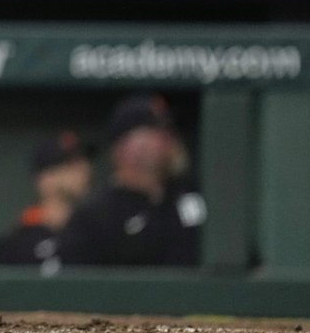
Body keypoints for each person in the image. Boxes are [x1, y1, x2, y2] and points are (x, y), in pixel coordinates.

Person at [59, 95, 204, 266]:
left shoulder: (190, 194)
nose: (168, 138)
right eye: (155, 131)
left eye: (168, 130)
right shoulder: (96, 214)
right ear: (124, 145)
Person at [0, 131, 92, 272]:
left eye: (83, 162)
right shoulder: (22, 241)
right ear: (45, 179)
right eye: (71, 165)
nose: (85, 169)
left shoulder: (92, 231)